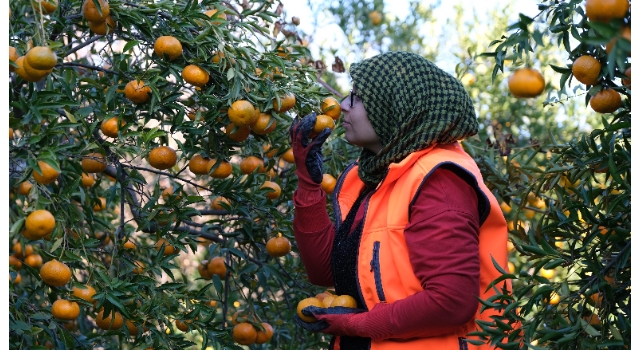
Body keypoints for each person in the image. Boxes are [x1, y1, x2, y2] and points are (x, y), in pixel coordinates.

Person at [290, 51, 510, 350]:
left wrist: (357, 325)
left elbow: (452, 302)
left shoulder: (439, 181)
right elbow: (325, 272)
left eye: (356, 97)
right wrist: (307, 181)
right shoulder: (374, 178)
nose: (342, 105)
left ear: (393, 106)